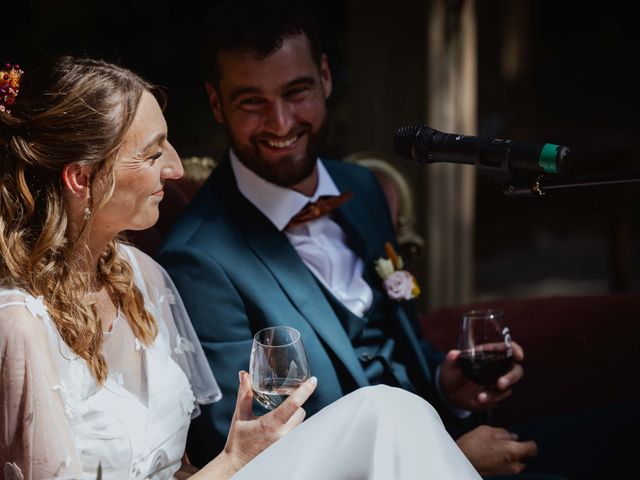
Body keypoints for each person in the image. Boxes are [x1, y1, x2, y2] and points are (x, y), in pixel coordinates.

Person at [157, 1, 640, 479]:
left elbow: (396, 343)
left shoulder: (363, 189)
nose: (281, 123)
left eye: (296, 91)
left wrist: (447, 384)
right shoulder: (199, 259)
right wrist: (445, 459)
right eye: (252, 102)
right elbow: (251, 453)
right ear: (217, 104)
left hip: (459, 432)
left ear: (325, 77)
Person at [0, 55, 483, 480]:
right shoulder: (18, 324)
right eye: (151, 154)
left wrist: (243, 453)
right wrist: (233, 460)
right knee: (386, 410)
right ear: (81, 178)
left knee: (395, 412)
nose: (173, 168)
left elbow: (181, 466)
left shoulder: (143, 277)